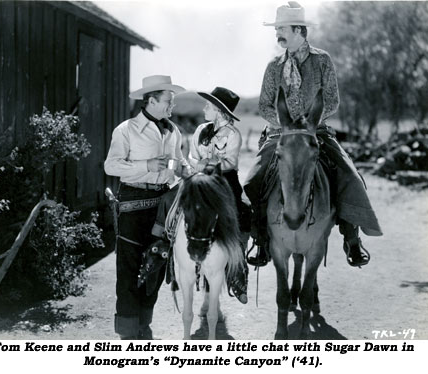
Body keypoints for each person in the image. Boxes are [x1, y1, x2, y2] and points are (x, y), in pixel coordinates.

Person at [244, 1, 382, 267]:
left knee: (351, 177)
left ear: (299, 30)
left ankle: (351, 239)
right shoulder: (274, 66)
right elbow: (264, 104)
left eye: (282, 28)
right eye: (277, 29)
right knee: (251, 183)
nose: (278, 33)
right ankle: (261, 240)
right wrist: (285, 125)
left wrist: (309, 122)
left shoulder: (322, 60)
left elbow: (332, 100)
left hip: (316, 132)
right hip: (279, 136)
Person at [140, 87, 248, 304]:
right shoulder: (200, 130)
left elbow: (229, 163)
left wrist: (205, 163)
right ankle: (161, 245)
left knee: (243, 210)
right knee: (169, 197)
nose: (204, 108)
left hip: (223, 181)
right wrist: (202, 165)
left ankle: (237, 267)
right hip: (198, 178)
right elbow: (191, 157)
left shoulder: (233, 134)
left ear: (220, 111)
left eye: (209, 106)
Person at [104, 75, 188, 339]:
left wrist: (187, 170)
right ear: (151, 100)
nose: (171, 108)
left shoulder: (173, 131)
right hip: (132, 204)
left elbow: (179, 162)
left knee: (156, 264)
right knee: (130, 268)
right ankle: (129, 333)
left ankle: (144, 326)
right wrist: (146, 166)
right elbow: (111, 166)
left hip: (163, 205)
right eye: (168, 102)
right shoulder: (125, 130)